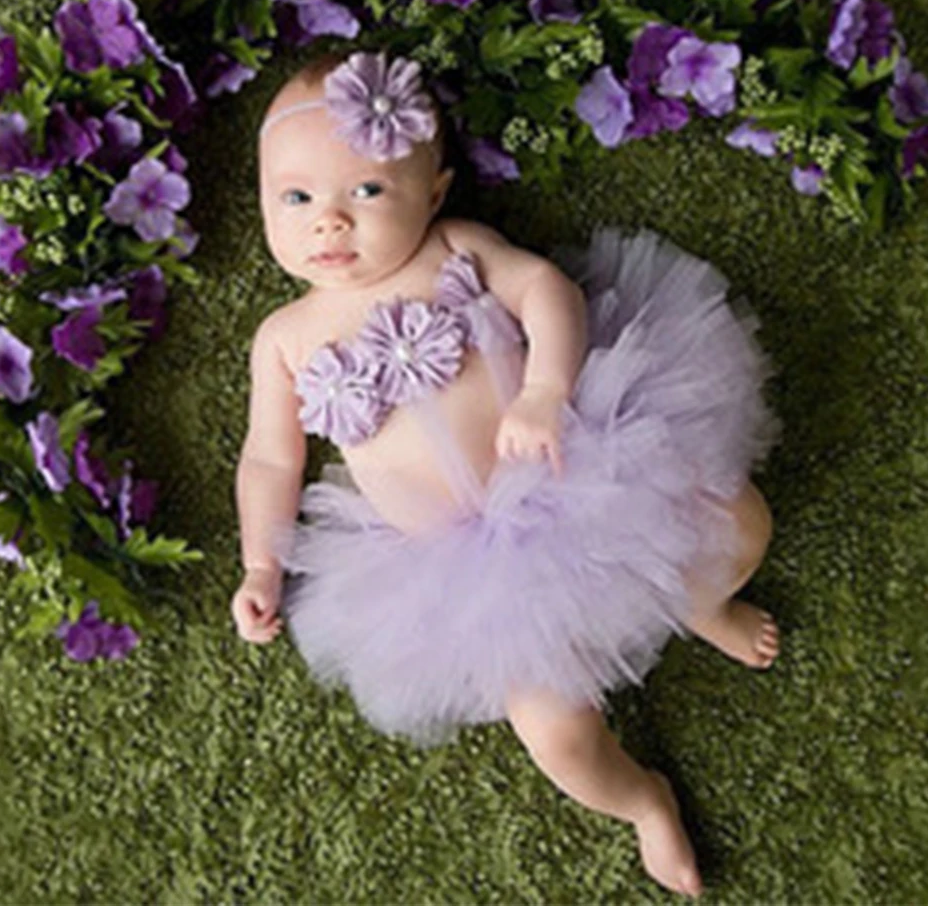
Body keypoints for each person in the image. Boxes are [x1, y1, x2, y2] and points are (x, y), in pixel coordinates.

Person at [232, 47, 783, 898]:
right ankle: (641, 800)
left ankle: (703, 602)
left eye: (366, 192)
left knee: (739, 526)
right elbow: (271, 457)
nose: (328, 223)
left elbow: (545, 290)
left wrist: (543, 391)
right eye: (296, 198)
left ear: (435, 192)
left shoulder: (454, 248)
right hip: (458, 569)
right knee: (556, 734)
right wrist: (261, 563)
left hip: (575, 466)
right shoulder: (284, 338)